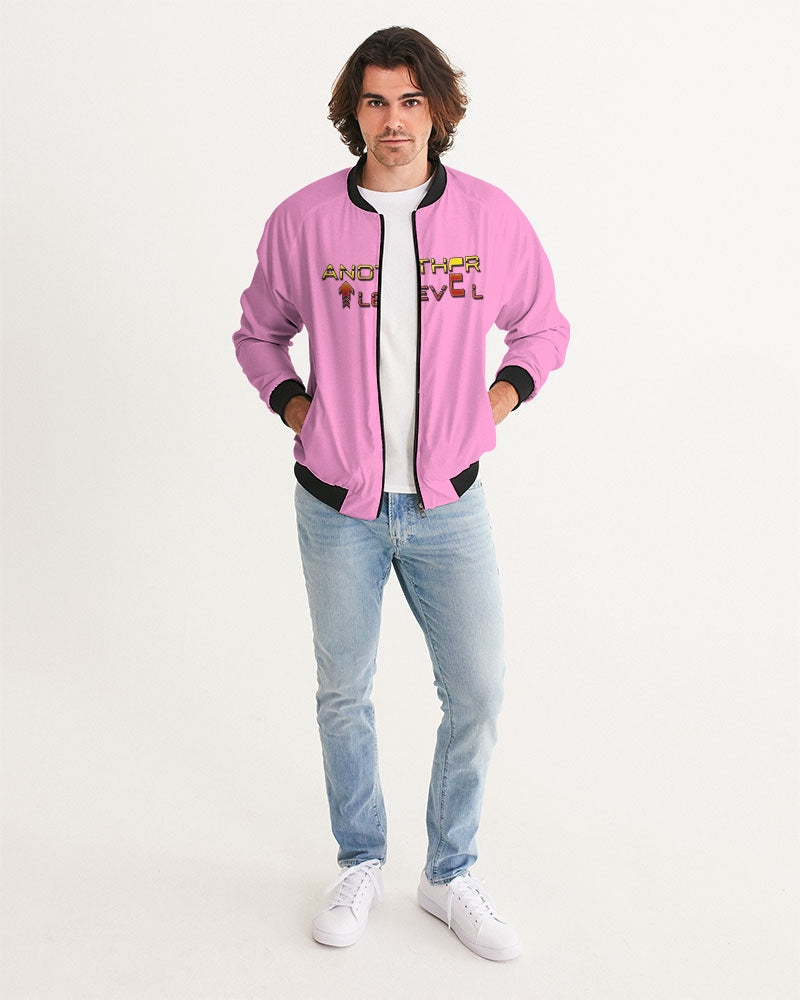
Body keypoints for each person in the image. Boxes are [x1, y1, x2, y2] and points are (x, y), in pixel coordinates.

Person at [233, 26, 569, 962]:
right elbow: (258, 334)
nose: (394, 120)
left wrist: (494, 403)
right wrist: (298, 408)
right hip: (335, 507)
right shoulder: (304, 221)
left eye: (411, 100)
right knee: (344, 691)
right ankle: (360, 859)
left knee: (479, 689)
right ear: (355, 111)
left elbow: (543, 328)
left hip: (447, 506)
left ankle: (449, 873)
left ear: (437, 110)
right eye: (376, 100)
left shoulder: (489, 219)